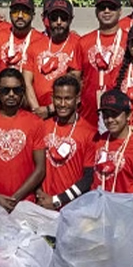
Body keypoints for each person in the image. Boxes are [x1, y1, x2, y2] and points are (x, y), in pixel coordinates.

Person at [0, 67, 46, 211]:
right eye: (6, 90)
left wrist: (14, 199)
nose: (11, 94)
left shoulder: (35, 123)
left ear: (22, 91)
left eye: (16, 90)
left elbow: (40, 169)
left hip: (24, 203)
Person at [37, 75, 94, 210]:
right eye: (58, 98)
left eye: (68, 99)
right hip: (43, 205)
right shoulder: (42, 127)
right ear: (52, 99)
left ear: (78, 99)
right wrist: (39, 193)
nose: (62, 104)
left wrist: (58, 200)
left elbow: (88, 178)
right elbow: (33, 166)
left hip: (73, 208)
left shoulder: (90, 133)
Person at [91, 88, 133, 202]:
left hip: (125, 214)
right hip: (98, 211)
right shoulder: (99, 141)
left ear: (128, 115)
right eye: (106, 115)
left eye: (115, 115)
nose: (110, 120)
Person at [24, 0, 84, 119]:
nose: (58, 22)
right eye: (54, 18)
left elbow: (76, 83)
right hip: (38, 111)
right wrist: (37, 111)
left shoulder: (79, 44)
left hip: (67, 112)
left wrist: (50, 109)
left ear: (71, 19)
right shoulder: (34, 46)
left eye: (63, 18)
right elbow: (27, 81)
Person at [77, 0, 127, 131]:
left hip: (119, 114)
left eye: (111, 7)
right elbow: (76, 78)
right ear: (96, 11)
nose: (106, 11)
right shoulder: (83, 42)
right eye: (102, 7)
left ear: (120, 11)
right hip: (88, 114)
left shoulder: (130, 41)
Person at [0, 0, 37, 77]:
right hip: (3, 88)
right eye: (15, 12)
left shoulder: (41, 40)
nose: (20, 16)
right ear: (10, 14)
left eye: (25, 12)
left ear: (33, 15)